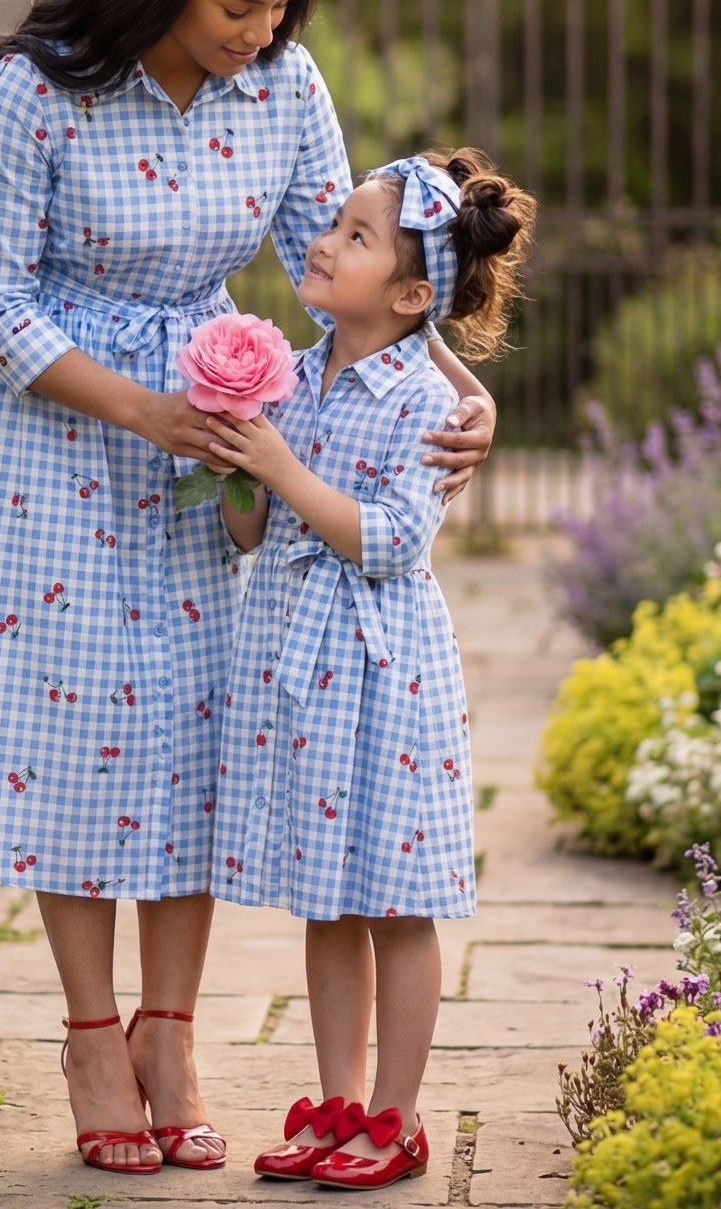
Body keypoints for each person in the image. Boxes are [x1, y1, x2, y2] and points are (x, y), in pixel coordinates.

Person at [0, 0, 497, 1177]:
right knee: (80, 731)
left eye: (276, 3)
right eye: (231, 3)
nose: (256, 26)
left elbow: (365, 265)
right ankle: (90, 1036)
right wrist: (142, 408)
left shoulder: (281, 80)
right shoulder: (35, 92)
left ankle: (173, 1035)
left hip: (228, 427)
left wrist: (470, 393)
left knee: (196, 727)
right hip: (60, 435)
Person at [205, 149, 535, 1190]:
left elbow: (387, 540)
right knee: (327, 898)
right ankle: (337, 1101)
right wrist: (228, 459)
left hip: (381, 673)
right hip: (296, 666)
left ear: (410, 294)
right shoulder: (295, 373)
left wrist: (280, 467)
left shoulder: (428, 403)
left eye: (353, 235)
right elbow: (253, 532)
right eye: (333, 224)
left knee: (394, 901)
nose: (321, 240)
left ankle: (396, 1116)